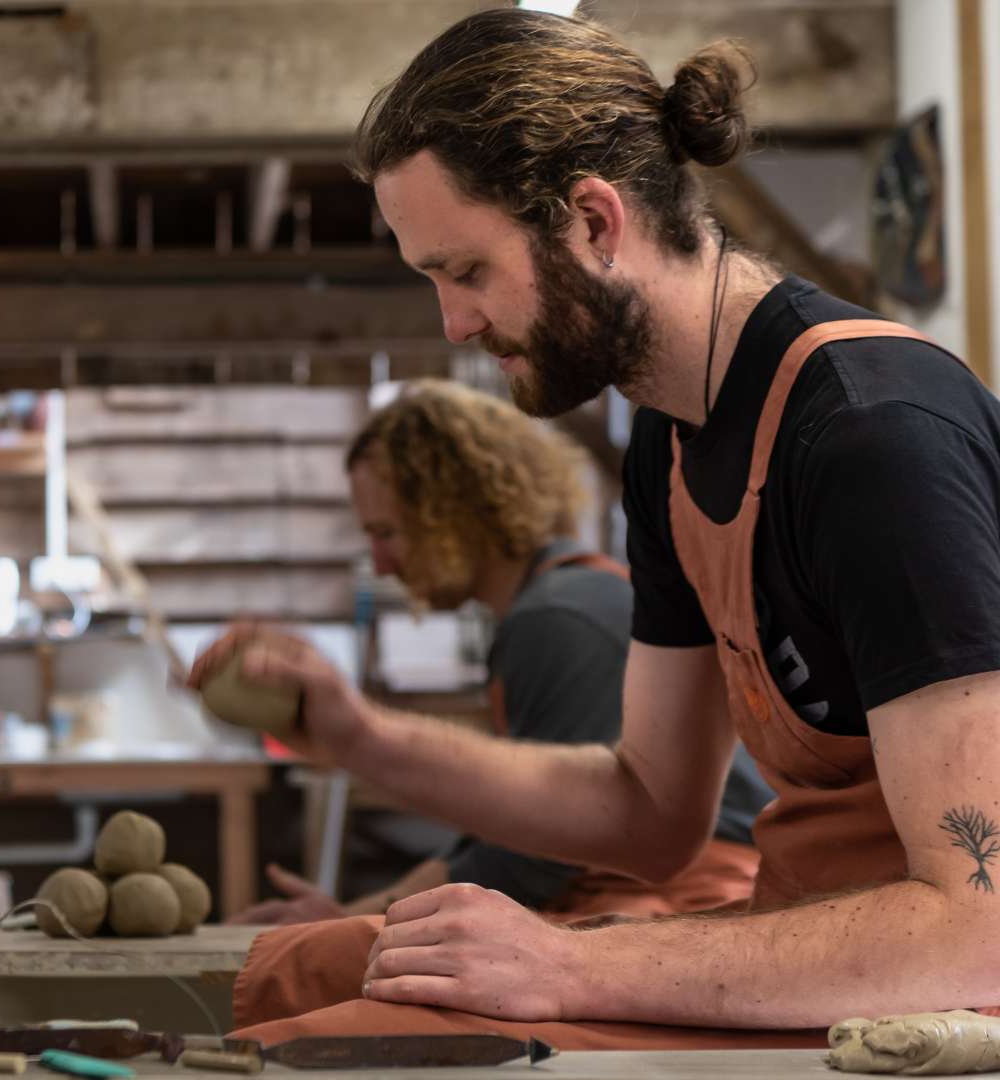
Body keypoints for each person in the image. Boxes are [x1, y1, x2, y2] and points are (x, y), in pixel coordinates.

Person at [190, 7, 1000, 1051]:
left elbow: (974, 926)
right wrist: (359, 736)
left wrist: (566, 962)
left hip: (928, 1003)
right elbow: (649, 810)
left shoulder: (869, 436)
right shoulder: (668, 443)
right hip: (812, 961)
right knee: (304, 984)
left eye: (465, 271)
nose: (453, 325)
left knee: (331, 1052)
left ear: (593, 222)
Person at [226, 381, 771, 929]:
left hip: (686, 899)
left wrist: (353, 926)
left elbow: (537, 855)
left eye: (386, 533)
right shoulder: (554, 601)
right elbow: (509, 830)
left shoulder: (558, 616)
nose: (382, 564)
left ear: (455, 511)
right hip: (640, 887)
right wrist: (347, 918)